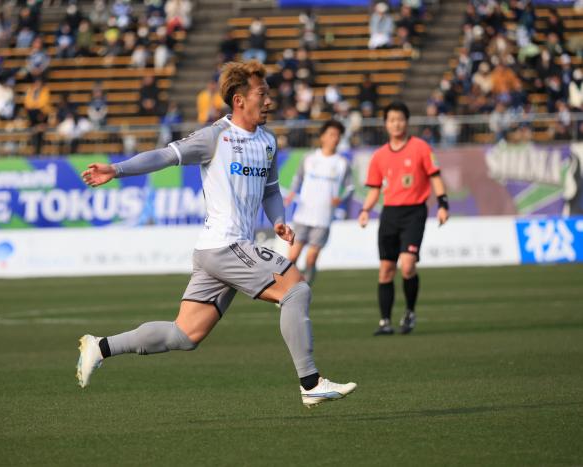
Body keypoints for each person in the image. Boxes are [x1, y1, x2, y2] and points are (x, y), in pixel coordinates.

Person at [77, 61, 357, 407]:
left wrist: (279, 220)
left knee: (184, 334)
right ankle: (311, 383)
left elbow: (271, 190)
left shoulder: (268, 141)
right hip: (226, 245)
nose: (269, 101)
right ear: (239, 100)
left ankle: (100, 346)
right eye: (262, 94)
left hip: (219, 251)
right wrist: (116, 169)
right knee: (296, 289)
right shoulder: (214, 137)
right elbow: (164, 156)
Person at [358, 101, 449, 336]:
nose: (396, 124)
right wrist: (365, 210)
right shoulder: (379, 156)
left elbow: (435, 177)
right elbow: (374, 189)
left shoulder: (421, 148)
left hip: (414, 212)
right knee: (386, 270)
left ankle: (409, 311)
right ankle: (385, 322)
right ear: (386, 124)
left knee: (407, 266)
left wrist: (443, 204)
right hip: (389, 214)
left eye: (400, 119)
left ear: (406, 122)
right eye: (391, 120)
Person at [284, 119, 353, 285]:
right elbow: (298, 178)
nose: (334, 138)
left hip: (323, 217)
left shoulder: (342, 164)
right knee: (292, 256)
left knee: (311, 258)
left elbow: (350, 188)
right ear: (322, 137)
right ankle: (287, 289)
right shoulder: (309, 158)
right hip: (303, 215)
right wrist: (291, 193)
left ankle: (305, 289)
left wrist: (341, 198)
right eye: (331, 134)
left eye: (337, 135)